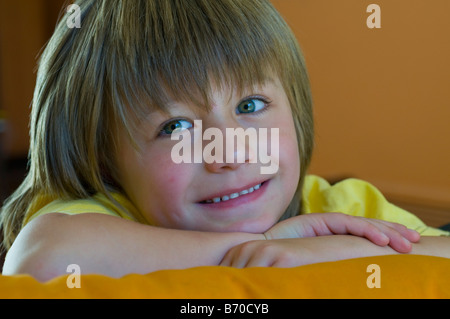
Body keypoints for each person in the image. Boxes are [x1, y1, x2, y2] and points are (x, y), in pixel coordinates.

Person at [1, 0, 448, 282]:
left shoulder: (340, 204)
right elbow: (42, 260)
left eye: (251, 105)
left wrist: (324, 248)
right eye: (175, 127)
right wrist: (271, 248)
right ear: (105, 165)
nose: (230, 152)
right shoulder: (106, 216)